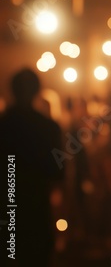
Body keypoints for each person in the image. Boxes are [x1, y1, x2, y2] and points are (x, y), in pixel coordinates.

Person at [0, 68, 64, 267]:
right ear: (37, 90)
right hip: (37, 207)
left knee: (9, 255)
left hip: (6, 206)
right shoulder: (48, 127)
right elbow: (57, 172)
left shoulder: (4, 125)